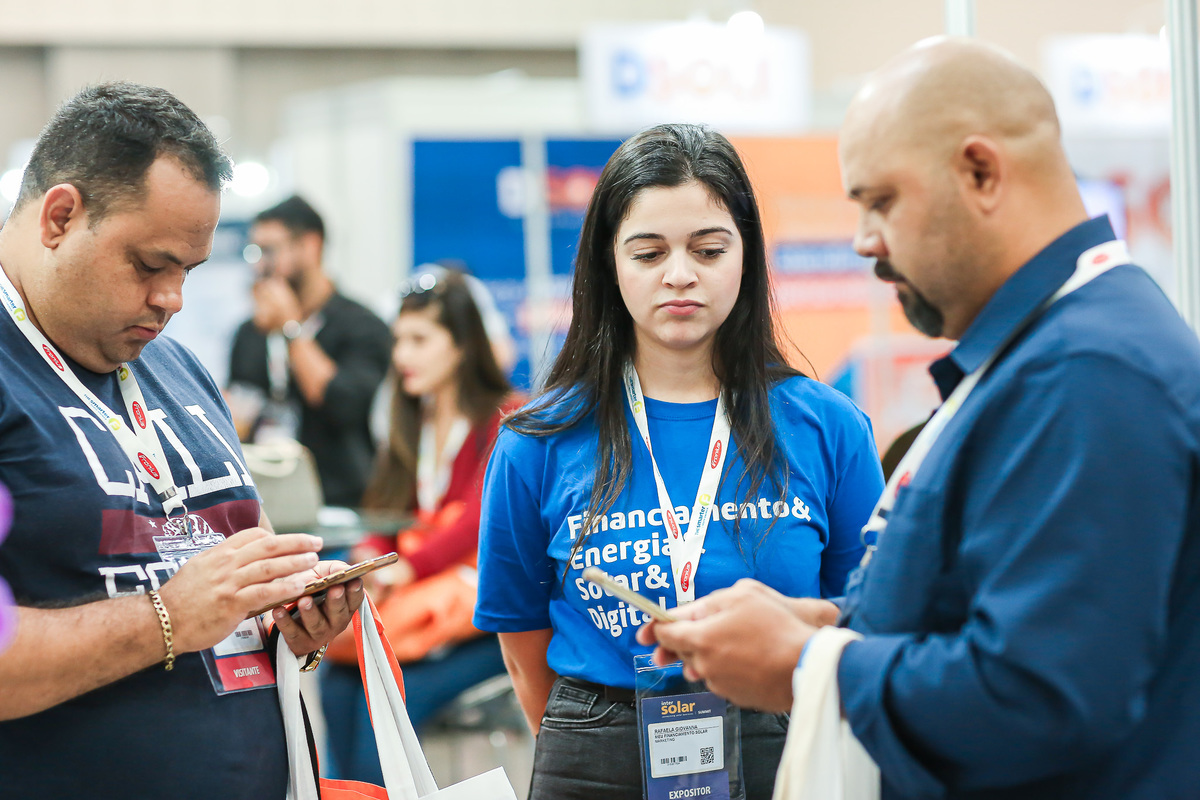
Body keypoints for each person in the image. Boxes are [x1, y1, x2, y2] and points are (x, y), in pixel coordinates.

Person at [639, 38, 1200, 799]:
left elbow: (1039, 697)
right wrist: (831, 622)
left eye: (881, 202)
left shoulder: (1088, 370)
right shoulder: (1042, 353)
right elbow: (992, 602)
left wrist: (808, 665)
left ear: (981, 171)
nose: (865, 242)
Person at [474, 123, 885, 800]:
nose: (680, 275)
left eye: (708, 248)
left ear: (746, 255)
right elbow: (521, 640)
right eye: (648, 252)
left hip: (782, 743)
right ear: (610, 262)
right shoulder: (538, 440)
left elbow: (861, 618)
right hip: (594, 754)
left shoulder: (828, 427)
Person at [0, 82, 364, 797]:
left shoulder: (173, 365)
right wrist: (166, 619)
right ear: (60, 217)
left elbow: (233, 585)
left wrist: (289, 619)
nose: (173, 298)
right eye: (149, 265)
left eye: (188, 271)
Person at [321, 268, 520, 783]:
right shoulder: (408, 426)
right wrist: (371, 563)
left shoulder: (507, 419)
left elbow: (481, 521)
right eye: (398, 340)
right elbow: (383, 519)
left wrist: (401, 570)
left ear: (461, 344)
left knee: (380, 708)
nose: (402, 355)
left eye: (419, 339)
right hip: (421, 617)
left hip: (483, 627)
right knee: (336, 681)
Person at [227, 194, 392, 508]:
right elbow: (237, 412)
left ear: (310, 245)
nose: (260, 265)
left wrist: (291, 327)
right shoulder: (250, 333)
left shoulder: (362, 325)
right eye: (254, 252)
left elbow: (342, 404)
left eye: (269, 251)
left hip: (341, 501)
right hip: (266, 503)